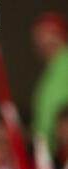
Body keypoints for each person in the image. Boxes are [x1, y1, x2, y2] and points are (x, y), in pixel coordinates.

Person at [32, 12, 68, 153]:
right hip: (51, 150)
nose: (44, 40)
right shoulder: (49, 72)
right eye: (38, 36)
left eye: (50, 33)